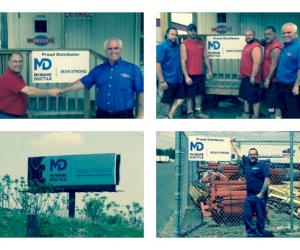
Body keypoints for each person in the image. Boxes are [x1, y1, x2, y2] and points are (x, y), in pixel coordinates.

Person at [61, 38, 144, 119]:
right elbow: (82, 82)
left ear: (121, 49)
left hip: (124, 116)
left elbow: (142, 92)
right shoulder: (98, 70)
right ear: (105, 51)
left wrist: (141, 114)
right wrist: (61, 90)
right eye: (109, 49)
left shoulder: (133, 69)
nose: (113, 51)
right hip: (102, 115)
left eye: (116, 48)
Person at [230, 138, 271, 237]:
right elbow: (239, 153)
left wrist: (261, 194)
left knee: (260, 217)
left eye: (254, 154)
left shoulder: (262, 165)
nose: (252, 156)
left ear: (257, 155)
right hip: (249, 197)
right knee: (247, 215)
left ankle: (260, 234)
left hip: (260, 197)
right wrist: (232, 143)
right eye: (251, 154)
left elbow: (267, 180)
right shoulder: (247, 162)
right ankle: (251, 234)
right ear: (249, 155)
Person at [0, 52, 61, 118]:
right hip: (8, 116)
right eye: (15, 61)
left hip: (18, 115)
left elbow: (20, 95)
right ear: (9, 63)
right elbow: (29, 91)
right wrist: (50, 92)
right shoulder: (8, 77)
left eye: (20, 61)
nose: (18, 64)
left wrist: (25, 110)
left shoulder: (17, 76)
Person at [180, 23, 212, 119]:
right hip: (190, 74)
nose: (193, 32)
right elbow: (183, 61)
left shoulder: (202, 43)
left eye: (194, 30)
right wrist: (186, 76)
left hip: (200, 73)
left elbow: (206, 57)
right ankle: (190, 113)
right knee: (190, 95)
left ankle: (198, 111)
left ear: (196, 31)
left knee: (199, 93)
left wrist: (209, 70)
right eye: (191, 30)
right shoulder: (184, 44)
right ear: (188, 32)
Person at [156, 27, 185, 119]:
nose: (174, 36)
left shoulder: (177, 46)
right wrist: (161, 81)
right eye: (172, 34)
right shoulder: (161, 46)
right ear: (167, 34)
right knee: (165, 103)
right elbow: (157, 64)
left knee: (181, 97)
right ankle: (164, 119)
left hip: (177, 78)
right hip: (167, 79)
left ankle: (170, 114)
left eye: (176, 35)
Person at [276, 23, 300, 118]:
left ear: (295, 33)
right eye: (284, 33)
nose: (286, 35)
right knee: (285, 111)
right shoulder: (285, 46)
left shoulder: (298, 47)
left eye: (289, 32)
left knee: (293, 113)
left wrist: (296, 86)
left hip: (292, 86)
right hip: (282, 85)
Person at [238, 30, 263, 119]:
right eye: (246, 35)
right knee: (245, 98)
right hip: (245, 77)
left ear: (254, 35)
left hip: (251, 78)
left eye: (250, 35)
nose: (248, 37)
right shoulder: (247, 46)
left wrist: (253, 76)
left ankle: (255, 117)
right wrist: (240, 73)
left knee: (254, 99)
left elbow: (257, 63)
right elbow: (244, 61)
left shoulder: (256, 47)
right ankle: (247, 114)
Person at [262, 26, 283, 119]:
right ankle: (272, 117)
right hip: (269, 79)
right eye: (265, 34)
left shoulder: (276, 48)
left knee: (276, 101)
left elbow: (274, 65)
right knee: (270, 100)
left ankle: (278, 119)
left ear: (275, 34)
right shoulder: (268, 44)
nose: (267, 36)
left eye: (269, 34)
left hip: (274, 80)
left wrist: (268, 79)